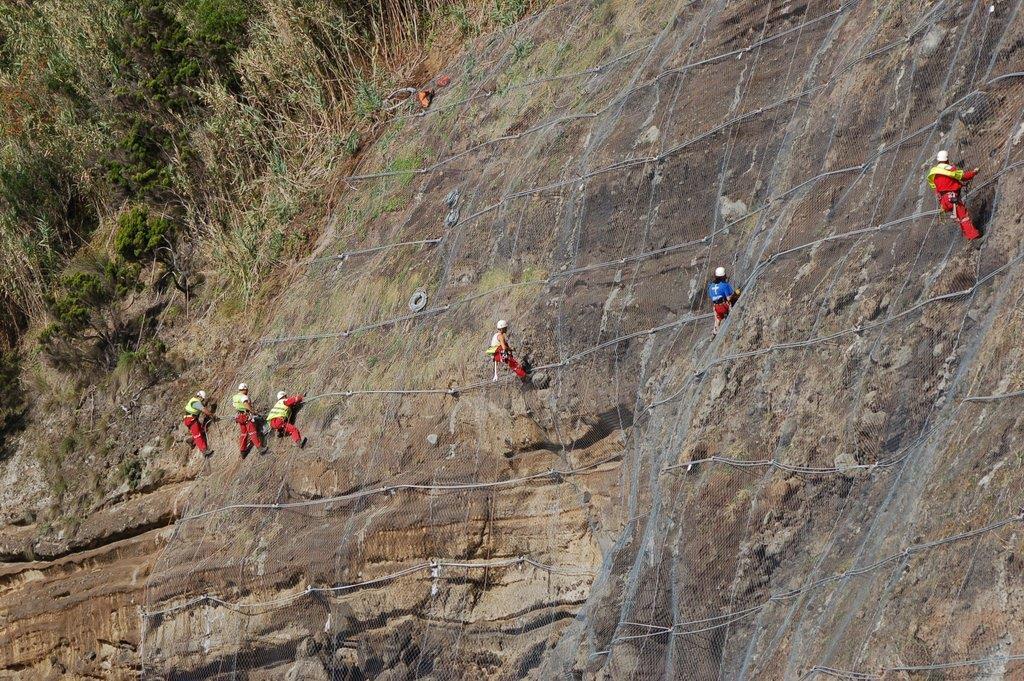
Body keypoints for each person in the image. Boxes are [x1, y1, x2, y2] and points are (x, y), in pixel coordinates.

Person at [927, 150, 980, 240]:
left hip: (944, 201)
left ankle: (968, 236)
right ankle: (973, 236)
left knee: (960, 218)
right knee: (964, 217)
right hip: (952, 198)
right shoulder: (949, 169)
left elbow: (941, 186)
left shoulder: (933, 173)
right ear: (947, 159)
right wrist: (974, 172)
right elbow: (963, 176)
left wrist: (958, 184)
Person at [232, 383, 265, 457]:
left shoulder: (235, 397)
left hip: (239, 416)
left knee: (243, 433)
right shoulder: (243, 397)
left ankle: (242, 451)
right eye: (246, 390)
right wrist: (253, 411)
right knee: (252, 432)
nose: (247, 391)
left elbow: (234, 405)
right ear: (244, 389)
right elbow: (246, 405)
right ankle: (260, 448)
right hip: (245, 416)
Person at [707, 267, 741, 336]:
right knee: (736, 297)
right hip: (724, 306)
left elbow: (712, 297)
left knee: (717, 319)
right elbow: (728, 298)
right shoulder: (724, 285)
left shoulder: (711, 286)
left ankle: (714, 332)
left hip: (716, 307)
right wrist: (735, 293)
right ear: (723, 276)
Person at [183, 390, 215, 456]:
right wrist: (212, 415)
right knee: (198, 435)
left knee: (202, 430)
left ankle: (191, 440)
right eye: (203, 399)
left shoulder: (194, 400)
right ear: (200, 397)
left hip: (191, 419)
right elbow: (204, 410)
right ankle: (204, 450)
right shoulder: (196, 403)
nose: (203, 400)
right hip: (191, 420)